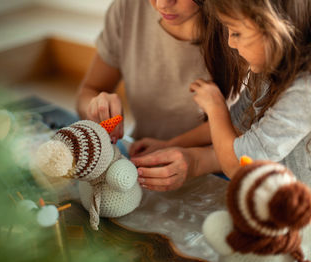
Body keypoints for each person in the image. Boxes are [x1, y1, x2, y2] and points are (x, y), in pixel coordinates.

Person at [132, 0, 311, 190]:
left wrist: (215, 106)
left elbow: (239, 165)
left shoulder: (304, 91)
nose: (230, 43)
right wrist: (172, 145)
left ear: (274, 28)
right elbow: (235, 127)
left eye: (236, 33)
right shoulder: (268, 69)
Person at [76, 0, 242, 144]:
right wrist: (96, 108)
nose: (162, 4)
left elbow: (250, 132)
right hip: (142, 155)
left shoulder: (244, 22)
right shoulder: (128, 8)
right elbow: (88, 91)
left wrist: (177, 149)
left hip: (219, 165)